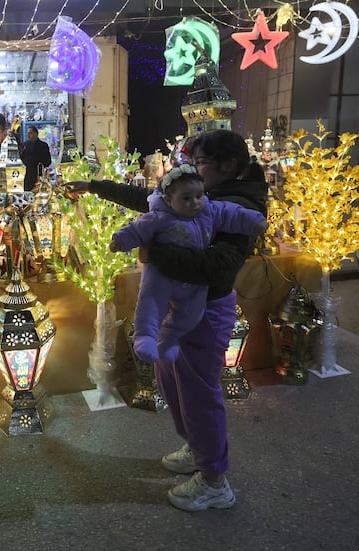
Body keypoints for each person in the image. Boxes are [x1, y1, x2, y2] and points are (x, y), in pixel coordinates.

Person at [68, 129, 268, 512]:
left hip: (206, 311)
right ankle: (198, 449)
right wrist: (93, 186)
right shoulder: (197, 191)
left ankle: (214, 481)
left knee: (198, 392)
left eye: (203, 161)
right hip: (177, 309)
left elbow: (219, 266)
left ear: (228, 166)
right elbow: (151, 202)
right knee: (169, 379)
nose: (194, 168)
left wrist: (154, 249)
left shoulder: (235, 204)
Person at [109, 163, 267, 364]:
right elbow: (137, 230)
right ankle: (145, 336)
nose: (194, 202)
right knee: (151, 301)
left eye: (199, 196)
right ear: (168, 199)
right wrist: (120, 240)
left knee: (192, 313)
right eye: (186, 198)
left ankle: (168, 340)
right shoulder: (159, 217)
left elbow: (232, 213)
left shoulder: (209, 210)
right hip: (161, 275)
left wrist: (255, 221)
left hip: (192, 281)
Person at [15, 125, 53, 191]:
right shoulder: (25, 145)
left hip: (39, 174)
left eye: (30, 133)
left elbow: (48, 161)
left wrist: (42, 167)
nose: (28, 135)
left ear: (36, 134)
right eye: (28, 133)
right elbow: (21, 158)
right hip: (27, 175)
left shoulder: (43, 146)